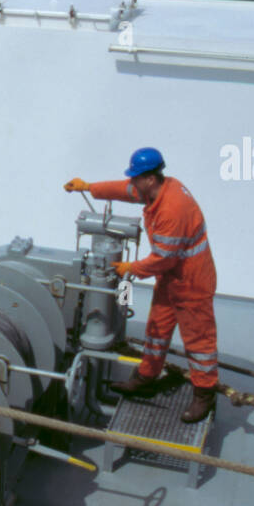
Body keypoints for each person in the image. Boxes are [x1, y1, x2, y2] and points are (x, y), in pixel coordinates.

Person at [65, 147, 218, 423]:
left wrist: (130, 268)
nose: (132, 182)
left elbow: (163, 259)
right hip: (172, 279)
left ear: (149, 178)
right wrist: (88, 187)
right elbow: (125, 190)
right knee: (157, 330)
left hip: (192, 281)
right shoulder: (157, 188)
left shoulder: (172, 209)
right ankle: (146, 377)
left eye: (135, 177)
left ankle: (205, 393)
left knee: (198, 341)